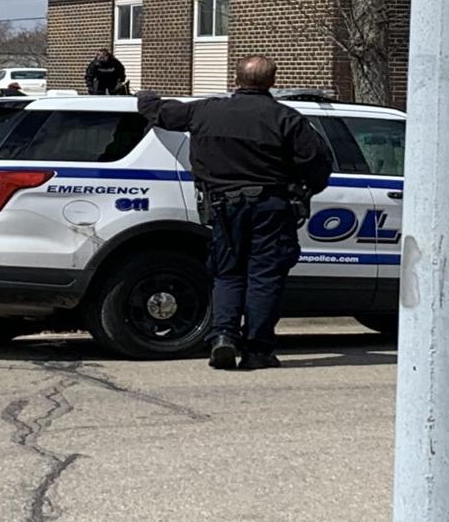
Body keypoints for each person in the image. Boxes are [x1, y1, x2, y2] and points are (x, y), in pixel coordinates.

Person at [137, 55, 333, 372]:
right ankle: (258, 350)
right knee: (264, 277)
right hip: (271, 207)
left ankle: (223, 338)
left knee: (227, 274)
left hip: (223, 206)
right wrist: (304, 190)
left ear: (236, 78)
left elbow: (161, 113)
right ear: (272, 81)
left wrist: (145, 96)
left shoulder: (206, 111)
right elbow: (317, 165)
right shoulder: (286, 119)